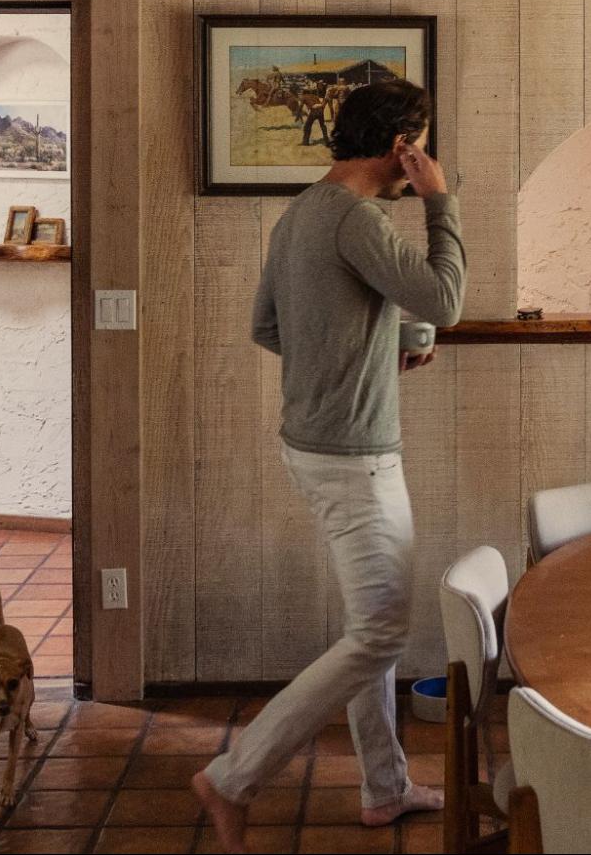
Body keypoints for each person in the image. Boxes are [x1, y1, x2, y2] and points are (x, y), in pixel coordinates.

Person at [193, 80, 465, 853]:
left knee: (366, 623)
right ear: (401, 147)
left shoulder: (302, 212)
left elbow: (269, 325)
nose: (424, 161)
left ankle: (383, 787)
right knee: (380, 635)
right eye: (421, 146)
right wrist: (439, 201)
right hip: (355, 457)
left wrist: (380, 349)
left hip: (312, 444)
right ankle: (234, 775)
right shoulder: (357, 217)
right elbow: (445, 297)